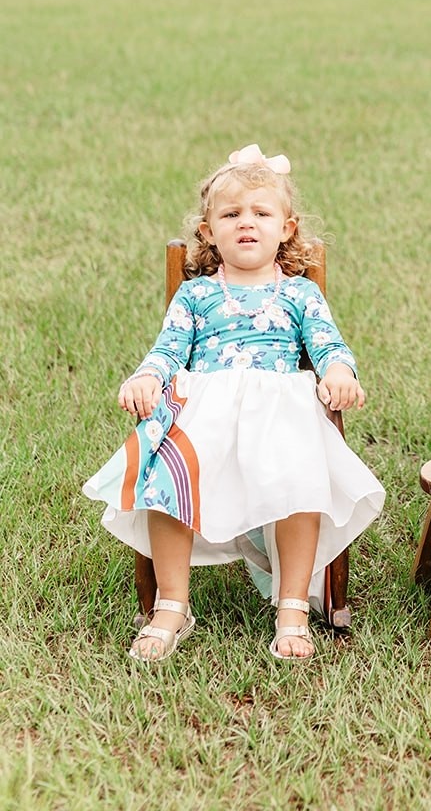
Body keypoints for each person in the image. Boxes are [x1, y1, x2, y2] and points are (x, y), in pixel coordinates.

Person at [83, 144, 385, 663]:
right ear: (208, 231)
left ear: (286, 228)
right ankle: (171, 605)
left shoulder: (300, 294)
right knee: (166, 478)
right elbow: (168, 350)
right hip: (206, 410)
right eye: (231, 215)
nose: (246, 223)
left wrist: (339, 372)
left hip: (280, 412)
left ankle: (292, 607)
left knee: (302, 483)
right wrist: (147, 376)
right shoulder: (196, 295)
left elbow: (328, 346)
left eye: (261, 213)